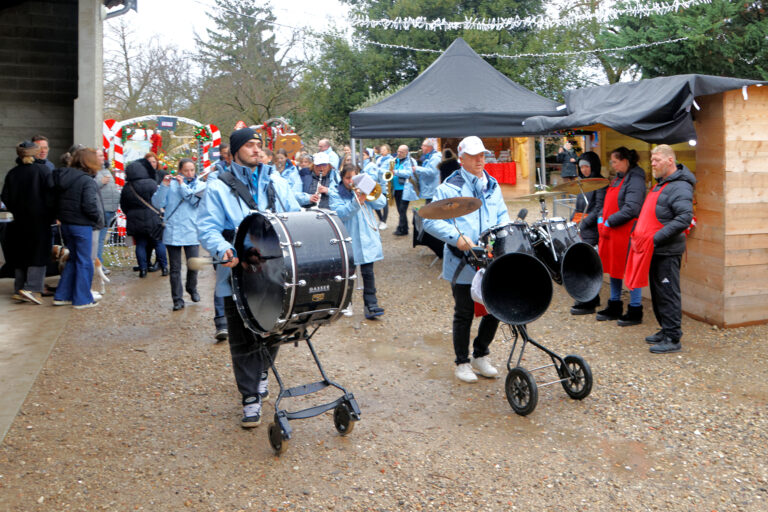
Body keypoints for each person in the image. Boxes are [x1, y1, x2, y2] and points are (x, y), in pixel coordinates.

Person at [196, 127, 301, 428]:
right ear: (235, 151)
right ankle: (249, 398)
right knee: (242, 338)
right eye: (250, 145)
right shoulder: (218, 187)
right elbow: (207, 228)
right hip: (238, 271)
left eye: (259, 145)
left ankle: (264, 372)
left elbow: (293, 215)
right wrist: (223, 249)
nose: (257, 149)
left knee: (275, 327)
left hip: (277, 272)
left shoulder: (276, 181)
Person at [423, 136, 510, 383]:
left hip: (490, 258)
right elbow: (430, 220)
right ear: (461, 159)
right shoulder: (449, 188)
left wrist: (502, 234)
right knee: (464, 312)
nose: (480, 160)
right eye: (474, 156)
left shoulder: (492, 184)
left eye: (482, 155)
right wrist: (455, 238)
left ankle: (480, 354)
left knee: (495, 309)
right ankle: (461, 362)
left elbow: (502, 214)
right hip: (462, 261)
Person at [624, 145, 695, 354]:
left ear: (670, 161)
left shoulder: (680, 186)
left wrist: (655, 238)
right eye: (652, 160)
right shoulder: (661, 184)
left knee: (668, 293)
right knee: (657, 292)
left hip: (666, 249)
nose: (652, 163)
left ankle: (673, 337)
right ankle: (665, 329)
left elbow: (684, 218)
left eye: (656, 160)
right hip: (654, 250)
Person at [596, 146, 646, 326]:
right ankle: (614, 304)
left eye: (615, 162)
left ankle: (635, 309)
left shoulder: (636, 179)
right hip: (612, 232)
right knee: (614, 268)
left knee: (630, 270)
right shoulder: (619, 178)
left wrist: (610, 221)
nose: (613, 166)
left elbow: (632, 208)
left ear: (625, 161)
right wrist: (601, 218)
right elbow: (606, 203)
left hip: (626, 232)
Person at [329, 163, 387, 320]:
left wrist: (369, 190)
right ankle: (345, 302)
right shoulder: (335, 192)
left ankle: (371, 305)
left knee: (368, 273)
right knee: (347, 273)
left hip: (367, 237)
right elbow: (340, 213)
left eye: (354, 178)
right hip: (348, 237)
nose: (351, 182)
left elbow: (381, 203)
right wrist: (357, 201)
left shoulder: (365, 186)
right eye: (347, 178)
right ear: (342, 178)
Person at [1, 141, 55, 304]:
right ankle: (33, 289)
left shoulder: (13, 173)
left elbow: (5, 198)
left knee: (20, 254)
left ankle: (19, 289)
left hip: (17, 222)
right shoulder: (43, 171)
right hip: (39, 221)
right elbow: (51, 195)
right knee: (38, 255)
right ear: (36, 153)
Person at [51, 148, 104, 309]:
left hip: (66, 224)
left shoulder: (62, 176)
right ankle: (82, 299)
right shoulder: (87, 180)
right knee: (84, 261)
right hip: (82, 225)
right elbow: (89, 205)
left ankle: (62, 295)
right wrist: (96, 218)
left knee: (73, 260)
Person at [152, 158, 206, 311]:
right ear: (179, 171)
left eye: (192, 170)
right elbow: (157, 203)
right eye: (186, 170)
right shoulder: (170, 185)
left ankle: (192, 288)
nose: (189, 173)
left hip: (192, 230)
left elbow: (194, 200)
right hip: (173, 230)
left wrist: (182, 185)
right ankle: (177, 299)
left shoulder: (200, 185)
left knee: (193, 264)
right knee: (175, 268)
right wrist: (163, 186)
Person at [569, 151, 607, 315]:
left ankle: (590, 298)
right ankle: (588, 296)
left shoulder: (600, 183)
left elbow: (599, 208)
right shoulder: (581, 182)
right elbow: (578, 208)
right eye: (581, 167)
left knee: (588, 265)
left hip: (590, 229)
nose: (584, 170)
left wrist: (584, 223)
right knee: (580, 264)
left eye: (587, 166)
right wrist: (571, 222)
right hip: (580, 226)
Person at [120, 156, 168, 278]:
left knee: (140, 245)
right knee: (158, 243)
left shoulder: (127, 187)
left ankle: (143, 269)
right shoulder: (151, 183)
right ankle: (164, 267)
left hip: (135, 220)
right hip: (153, 218)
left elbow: (123, 205)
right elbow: (158, 200)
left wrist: (131, 214)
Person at [95, 150, 119, 265]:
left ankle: (98, 261)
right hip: (102, 209)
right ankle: (98, 263)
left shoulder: (105, 170)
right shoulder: (93, 171)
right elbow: (90, 187)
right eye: (99, 155)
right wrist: (100, 182)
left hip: (110, 209)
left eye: (102, 155)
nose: (102, 157)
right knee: (99, 239)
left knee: (101, 238)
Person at [404, 138, 441, 205]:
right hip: (429, 190)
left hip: (432, 190)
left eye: (423, 145)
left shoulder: (435, 158)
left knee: (430, 212)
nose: (421, 147)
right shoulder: (429, 157)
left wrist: (417, 168)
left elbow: (432, 171)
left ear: (429, 147)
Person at [392, 145, 416, 236]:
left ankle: (401, 228)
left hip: (405, 189)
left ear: (406, 152)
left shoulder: (410, 161)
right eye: (398, 151)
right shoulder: (395, 160)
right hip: (396, 188)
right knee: (399, 209)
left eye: (401, 152)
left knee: (402, 209)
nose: (398, 153)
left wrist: (396, 172)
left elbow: (409, 173)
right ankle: (405, 228)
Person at [374, 144, 394, 229]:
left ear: (388, 151)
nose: (382, 151)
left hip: (385, 183)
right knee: (375, 201)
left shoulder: (390, 160)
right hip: (377, 182)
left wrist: (378, 170)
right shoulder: (378, 158)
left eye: (384, 150)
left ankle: (384, 221)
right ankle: (381, 219)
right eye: (381, 149)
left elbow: (389, 171)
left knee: (384, 202)